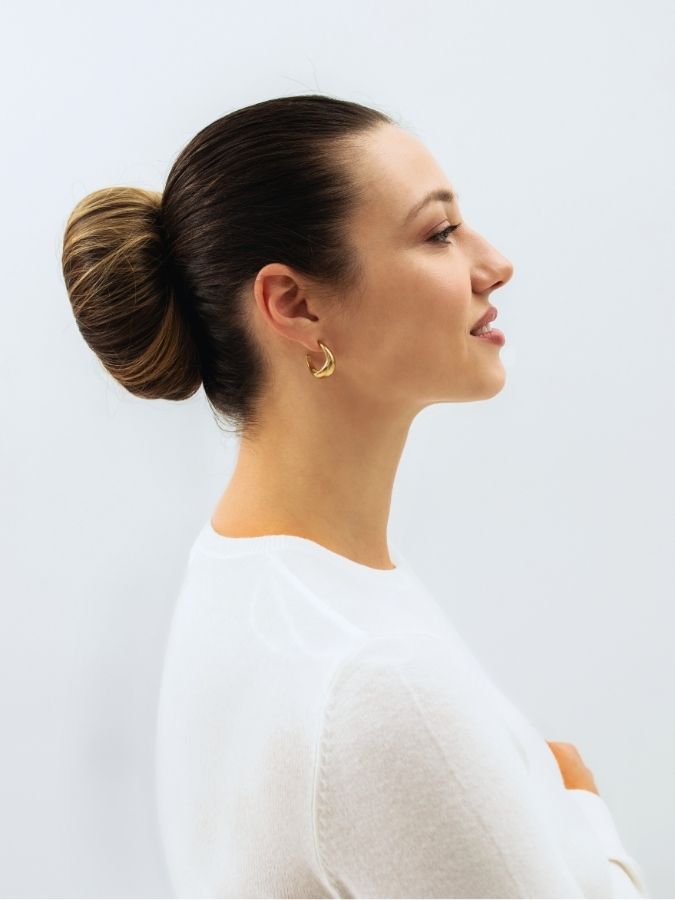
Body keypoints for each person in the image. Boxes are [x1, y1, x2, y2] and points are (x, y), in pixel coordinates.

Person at [61, 94, 650, 898]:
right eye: (439, 233)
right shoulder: (374, 683)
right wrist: (582, 817)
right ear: (295, 305)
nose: (494, 263)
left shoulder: (247, 577)